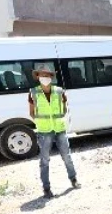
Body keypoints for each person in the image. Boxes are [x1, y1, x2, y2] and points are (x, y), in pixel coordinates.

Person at [28, 65, 78, 198]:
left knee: (67, 156)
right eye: (42, 75)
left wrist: (60, 119)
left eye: (47, 75)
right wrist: (40, 123)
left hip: (59, 129)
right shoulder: (33, 92)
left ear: (51, 77)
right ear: (37, 76)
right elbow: (32, 113)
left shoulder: (59, 91)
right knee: (44, 160)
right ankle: (46, 188)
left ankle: (74, 180)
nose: (45, 78)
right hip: (44, 131)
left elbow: (64, 108)